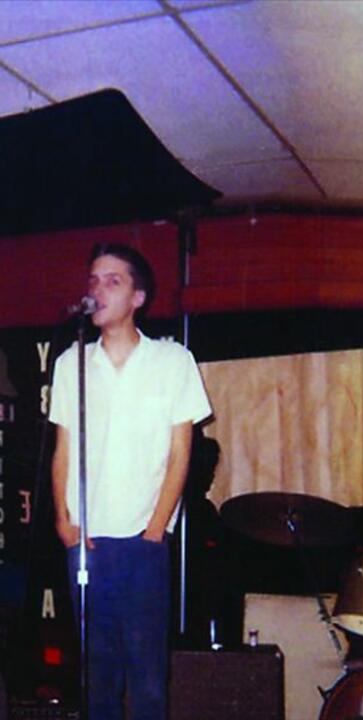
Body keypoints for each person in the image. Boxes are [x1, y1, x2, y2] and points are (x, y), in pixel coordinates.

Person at [50, 243, 212, 720]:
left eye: (112, 280)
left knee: (147, 682)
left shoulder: (172, 360)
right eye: (93, 280)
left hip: (143, 541)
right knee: (97, 679)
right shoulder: (72, 363)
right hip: (87, 541)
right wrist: (63, 520)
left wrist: (156, 529)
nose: (97, 289)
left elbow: (181, 452)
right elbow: (63, 449)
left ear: (138, 297)